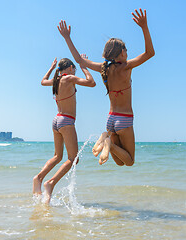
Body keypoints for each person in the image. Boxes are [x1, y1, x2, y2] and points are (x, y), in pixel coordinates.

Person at [58, 8, 154, 166]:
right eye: (126, 51)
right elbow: (150, 53)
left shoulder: (104, 68)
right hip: (125, 119)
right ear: (122, 52)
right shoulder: (126, 67)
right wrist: (144, 27)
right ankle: (107, 142)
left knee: (120, 162)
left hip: (111, 119)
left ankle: (106, 137)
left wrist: (67, 38)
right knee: (129, 162)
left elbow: (79, 61)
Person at [33, 56, 95, 204]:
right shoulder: (68, 79)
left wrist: (51, 68)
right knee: (74, 159)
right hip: (66, 121)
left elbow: (42, 81)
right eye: (73, 67)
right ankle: (50, 183)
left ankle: (38, 178)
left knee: (57, 156)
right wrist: (83, 66)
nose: (74, 70)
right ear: (69, 68)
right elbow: (92, 83)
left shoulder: (56, 80)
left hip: (56, 121)